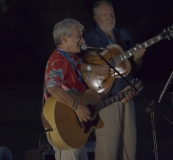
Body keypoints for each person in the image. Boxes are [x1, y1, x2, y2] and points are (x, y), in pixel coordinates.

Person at [43, 18, 134, 160]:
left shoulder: (70, 58)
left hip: (76, 126)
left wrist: (117, 96)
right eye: (78, 36)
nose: (83, 40)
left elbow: (82, 75)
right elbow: (52, 88)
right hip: (64, 125)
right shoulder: (59, 60)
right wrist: (75, 106)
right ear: (64, 38)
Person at [78, 1, 146, 160]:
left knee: (129, 147)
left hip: (127, 97)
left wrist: (137, 59)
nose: (110, 17)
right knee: (108, 148)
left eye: (112, 13)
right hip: (106, 100)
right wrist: (94, 69)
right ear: (96, 18)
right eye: (105, 14)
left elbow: (135, 67)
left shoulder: (124, 34)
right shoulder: (88, 39)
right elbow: (78, 66)